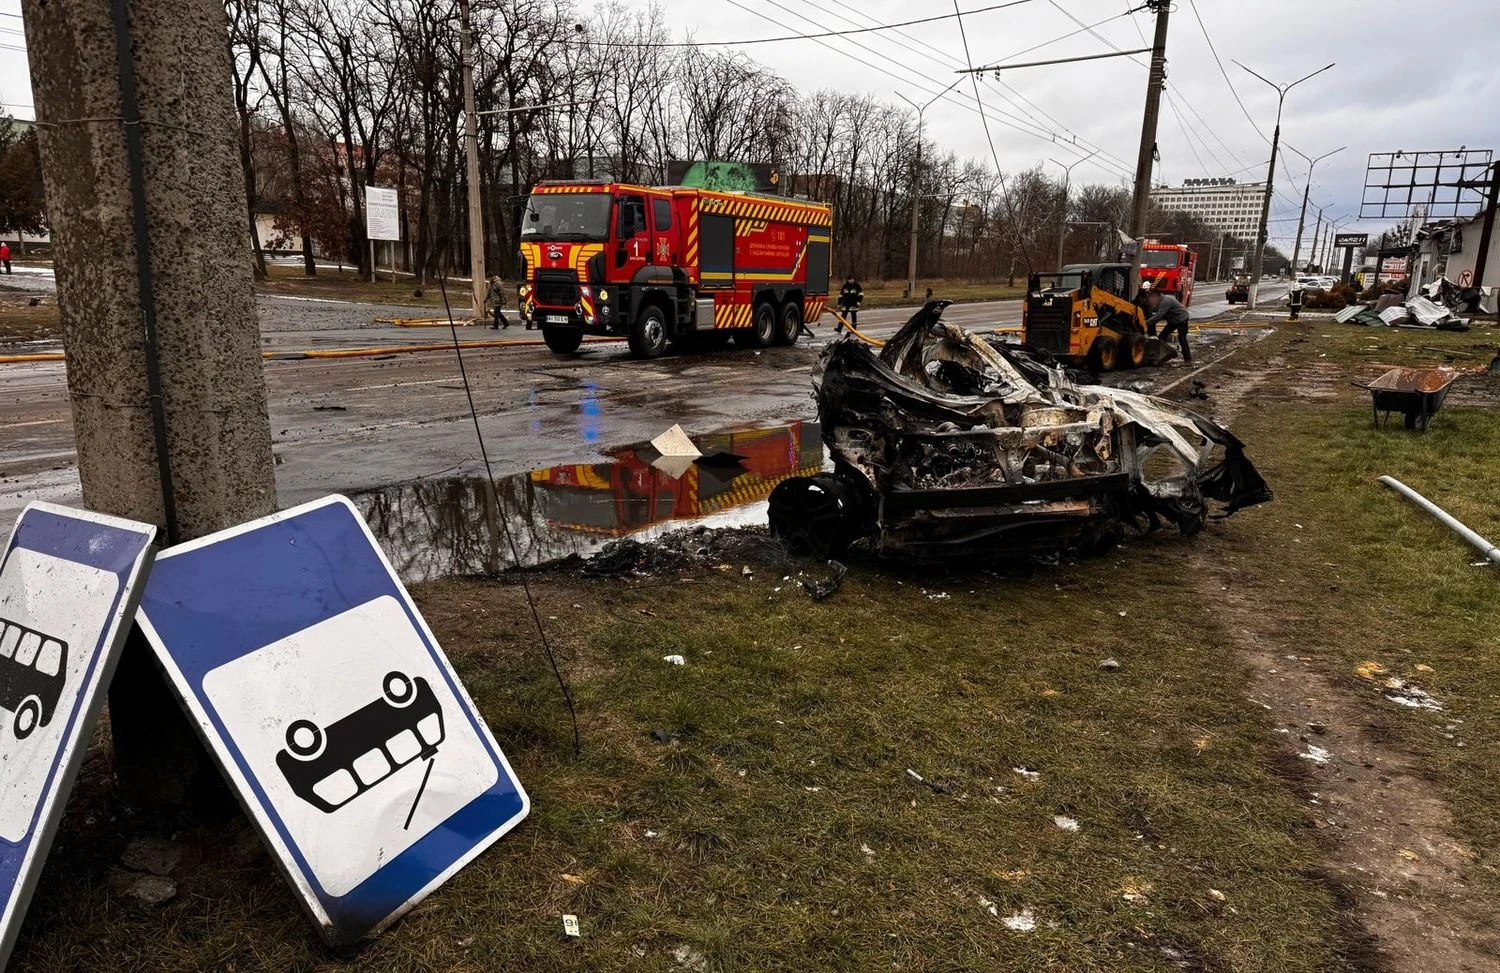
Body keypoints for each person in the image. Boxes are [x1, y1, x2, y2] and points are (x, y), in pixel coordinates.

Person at [1143, 289, 1192, 363]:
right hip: (1173, 320)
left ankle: (1187, 358)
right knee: (1162, 336)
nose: (1151, 301)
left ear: (1156, 297)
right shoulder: (1159, 302)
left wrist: (1146, 322)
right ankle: (1160, 356)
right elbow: (1156, 314)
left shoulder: (1166, 301)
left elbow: (1159, 315)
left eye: (1151, 299)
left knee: (1182, 338)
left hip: (1182, 319)